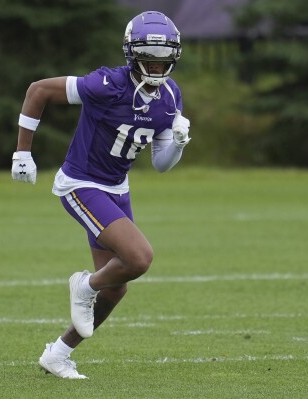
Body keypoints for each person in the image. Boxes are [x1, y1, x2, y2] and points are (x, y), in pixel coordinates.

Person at [11, 10, 191, 379]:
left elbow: (161, 164)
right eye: (149, 58)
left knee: (116, 290)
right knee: (139, 258)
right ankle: (83, 285)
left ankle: (57, 355)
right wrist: (23, 152)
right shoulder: (107, 83)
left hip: (117, 188)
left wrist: (179, 141)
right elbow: (38, 91)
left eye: (163, 58)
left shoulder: (171, 95)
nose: (157, 67)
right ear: (131, 54)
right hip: (81, 184)